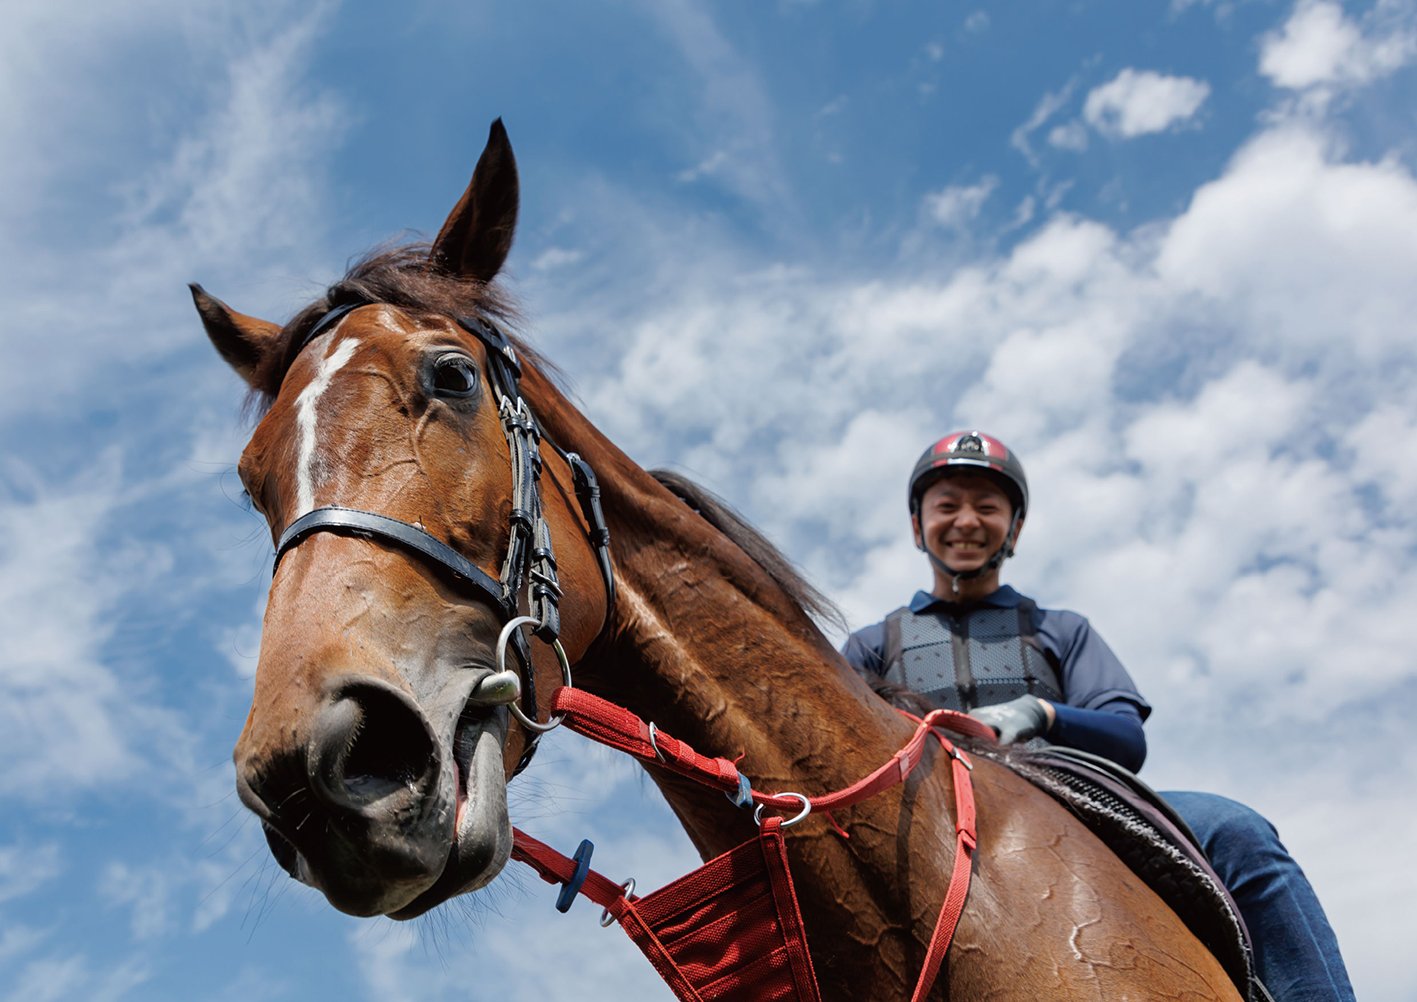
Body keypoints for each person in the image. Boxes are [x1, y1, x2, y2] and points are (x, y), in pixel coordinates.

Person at [842, 431, 1355, 1002]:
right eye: (947, 505)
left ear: (1013, 528)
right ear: (918, 525)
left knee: (1236, 831)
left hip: (1060, 797)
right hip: (924, 816)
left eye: (987, 507)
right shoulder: (871, 645)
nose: (967, 520)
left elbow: (1126, 738)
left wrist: (1040, 712)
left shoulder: (1060, 628)